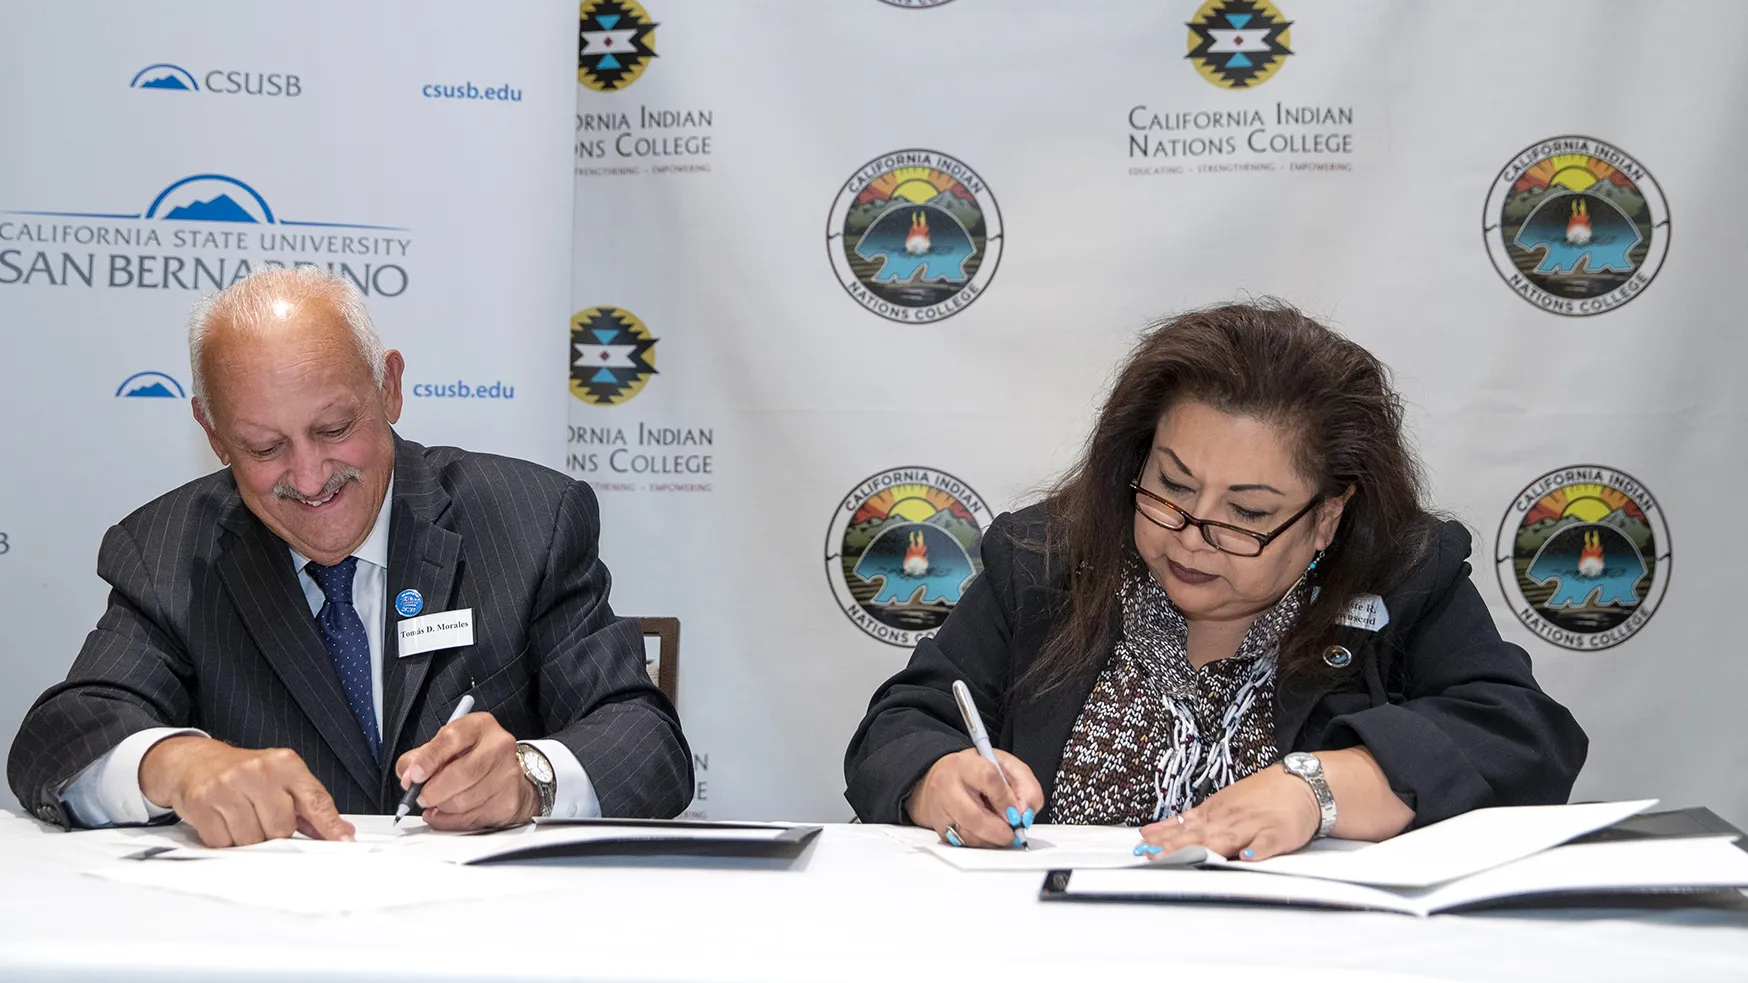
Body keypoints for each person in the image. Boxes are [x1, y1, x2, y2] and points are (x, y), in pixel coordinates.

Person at [844, 300, 1588, 858]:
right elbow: (904, 722)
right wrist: (936, 778)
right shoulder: (1045, 559)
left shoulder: (1401, 577)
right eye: (1169, 486)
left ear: (1327, 517)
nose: (1191, 536)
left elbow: (1524, 740)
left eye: (1246, 513)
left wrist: (1321, 787)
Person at [7, 267, 692, 846]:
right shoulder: (167, 551)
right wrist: (171, 761)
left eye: (334, 429)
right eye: (264, 447)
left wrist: (530, 776)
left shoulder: (528, 519)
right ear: (212, 434)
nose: (308, 478)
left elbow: (647, 741)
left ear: (388, 386)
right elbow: (57, 738)